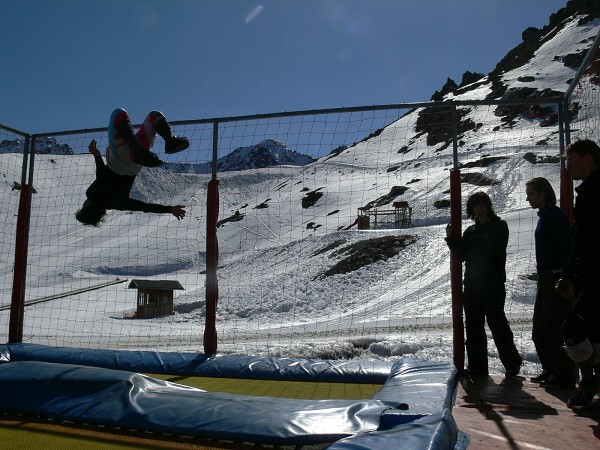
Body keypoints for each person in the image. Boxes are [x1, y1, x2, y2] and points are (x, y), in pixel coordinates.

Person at [445, 191, 522, 377]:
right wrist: (450, 239)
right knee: (473, 328)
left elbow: (498, 247)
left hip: (493, 285)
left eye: (482, 205)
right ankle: (477, 367)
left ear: (488, 206)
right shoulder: (470, 231)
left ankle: (512, 364)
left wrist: (487, 227)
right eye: (475, 206)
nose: (479, 209)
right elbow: (462, 255)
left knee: (497, 324)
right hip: (472, 286)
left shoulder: (500, 226)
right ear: (471, 209)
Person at [76, 108, 190, 226]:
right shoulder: (91, 195)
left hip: (136, 164)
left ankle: (158, 145)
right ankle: (167, 140)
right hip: (119, 160)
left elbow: (144, 207)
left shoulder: (118, 204)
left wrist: (170, 209)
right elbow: (101, 176)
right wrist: (97, 155)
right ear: (87, 207)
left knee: (153, 118)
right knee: (119, 113)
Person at [555, 139, 600, 413]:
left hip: (595, 276)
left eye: (572, 160)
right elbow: (580, 239)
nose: (569, 167)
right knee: (591, 332)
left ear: (588, 159)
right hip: (588, 276)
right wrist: (570, 275)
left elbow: (585, 240)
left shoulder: (596, 192)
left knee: (573, 330)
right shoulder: (587, 192)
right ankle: (590, 383)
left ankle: (588, 383)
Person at [525, 177, 577, 388]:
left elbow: (566, 247)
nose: (528, 198)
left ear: (542, 194)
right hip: (546, 277)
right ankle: (550, 369)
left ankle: (564, 374)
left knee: (552, 327)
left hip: (555, 277)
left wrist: (566, 277)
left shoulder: (554, 215)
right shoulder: (544, 216)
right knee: (539, 329)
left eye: (531, 194)